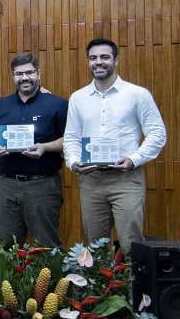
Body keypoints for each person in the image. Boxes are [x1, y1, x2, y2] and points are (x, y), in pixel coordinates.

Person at [63, 39, 166, 261]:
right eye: (93, 58)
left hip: (126, 179)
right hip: (91, 181)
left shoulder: (137, 94)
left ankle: (134, 296)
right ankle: (101, 296)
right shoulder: (78, 98)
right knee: (95, 249)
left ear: (116, 60)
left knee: (131, 246)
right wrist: (72, 161)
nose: (98, 62)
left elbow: (157, 134)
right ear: (88, 61)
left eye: (104, 57)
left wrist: (133, 159)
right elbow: (71, 137)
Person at [0, 53, 68, 249]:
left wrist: (45, 147)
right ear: (13, 76)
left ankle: (52, 280)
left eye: (29, 72)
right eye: (19, 74)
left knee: (46, 245)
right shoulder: (1, 106)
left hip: (42, 185)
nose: (24, 78)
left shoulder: (58, 104)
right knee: (6, 247)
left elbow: (69, 140)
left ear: (38, 73)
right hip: (6, 185)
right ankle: (8, 282)